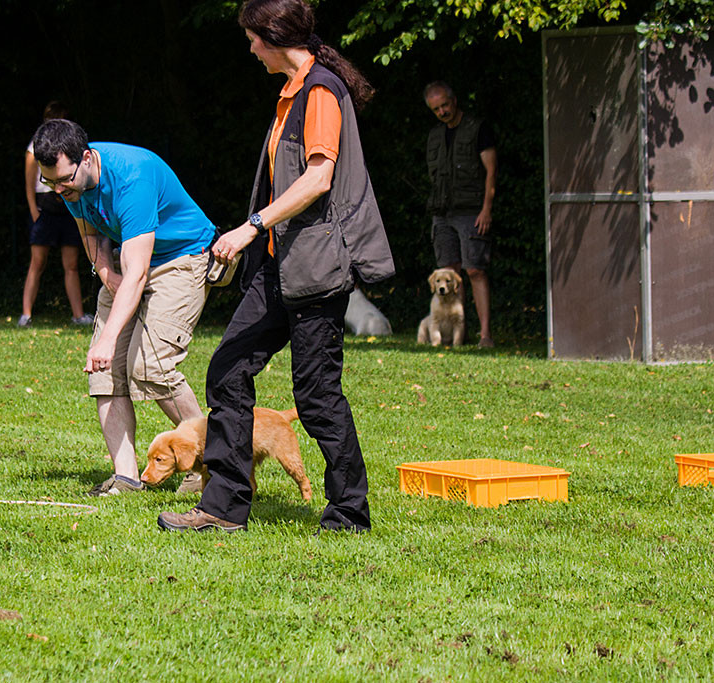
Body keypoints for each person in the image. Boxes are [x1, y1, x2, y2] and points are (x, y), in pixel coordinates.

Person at [157, 0, 395, 533]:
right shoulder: (290, 94)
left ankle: (349, 512)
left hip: (314, 269)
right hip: (274, 266)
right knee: (227, 371)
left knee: (315, 396)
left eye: (251, 38)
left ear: (272, 35)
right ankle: (222, 507)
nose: (248, 49)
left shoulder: (322, 92)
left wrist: (250, 227)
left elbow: (317, 179)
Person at [30, 119, 214, 496]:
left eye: (65, 180)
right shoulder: (71, 187)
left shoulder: (132, 177)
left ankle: (212, 462)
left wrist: (107, 336)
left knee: (150, 366)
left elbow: (139, 270)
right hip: (127, 263)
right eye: (51, 183)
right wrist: (104, 273)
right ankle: (127, 477)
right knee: (104, 374)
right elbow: (90, 234)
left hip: (180, 258)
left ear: (86, 158)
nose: (60, 190)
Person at [423, 81, 498, 348]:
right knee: (450, 272)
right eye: (436, 109)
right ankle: (460, 334)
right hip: (441, 211)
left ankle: (485, 335)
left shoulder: (478, 129)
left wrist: (486, 209)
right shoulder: (434, 135)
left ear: (454, 101)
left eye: (445, 105)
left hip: (471, 210)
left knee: (475, 270)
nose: (442, 112)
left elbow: (491, 170)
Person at [19, 101, 93, 328]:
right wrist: (34, 212)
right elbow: (30, 182)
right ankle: (26, 314)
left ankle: (78, 315)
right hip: (45, 208)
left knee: (70, 264)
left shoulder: (71, 147)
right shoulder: (35, 148)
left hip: (67, 204)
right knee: (37, 262)